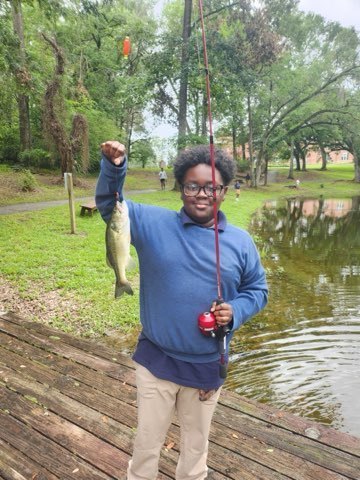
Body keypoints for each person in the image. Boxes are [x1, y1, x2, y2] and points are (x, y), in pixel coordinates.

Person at [95, 141, 268, 480]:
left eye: (211, 187)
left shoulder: (241, 241)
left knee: (195, 448)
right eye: (192, 186)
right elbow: (109, 205)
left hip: (206, 366)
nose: (202, 194)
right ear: (180, 187)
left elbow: (258, 290)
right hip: (156, 363)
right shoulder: (149, 222)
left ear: (224, 190)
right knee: (146, 444)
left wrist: (235, 310)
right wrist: (114, 167)